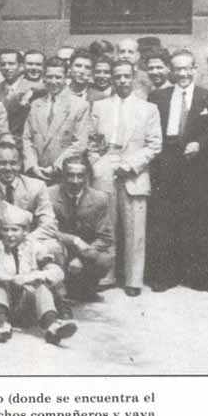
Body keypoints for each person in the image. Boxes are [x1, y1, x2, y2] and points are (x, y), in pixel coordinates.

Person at [147, 50, 208, 292]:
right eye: (177, 69)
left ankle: (197, 276)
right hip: (166, 162)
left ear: (194, 69)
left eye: (186, 68)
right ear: (172, 70)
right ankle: (167, 275)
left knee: (196, 219)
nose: (182, 73)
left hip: (196, 165)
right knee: (166, 219)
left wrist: (200, 143)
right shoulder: (158, 96)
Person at [88, 60, 162, 297]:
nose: (121, 81)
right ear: (111, 77)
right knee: (106, 227)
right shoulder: (99, 107)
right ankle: (107, 275)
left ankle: (133, 279)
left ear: (133, 78)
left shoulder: (148, 108)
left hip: (134, 174)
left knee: (135, 229)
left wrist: (129, 165)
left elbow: (154, 145)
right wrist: (98, 165)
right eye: (117, 76)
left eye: (126, 76)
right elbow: (92, 143)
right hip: (105, 173)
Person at [0, 204, 77, 345]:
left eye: (15, 230)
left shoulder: (36, 247)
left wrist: (31, 277)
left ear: (25, 231)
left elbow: (56, 272)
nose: (10, 234)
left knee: (41, 287)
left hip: (28, 306)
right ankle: (1, 325)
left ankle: (52, 326)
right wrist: (9, 278)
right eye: (5, 230)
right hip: (4, 304)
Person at [48, 156, 114, 303]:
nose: (75, 181)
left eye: (80, 176)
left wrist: (81, 257)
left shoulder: (99, 198)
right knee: (51, 249)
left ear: (87, 177)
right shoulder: (49, 195)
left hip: (85, 251)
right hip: (60, 250)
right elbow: (47, 230)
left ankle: (86, 290)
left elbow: (105, 237)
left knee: (104, 259)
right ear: (63, 176)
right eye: (70, 175)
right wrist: (74, 240)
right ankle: (59, 297)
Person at [21, 57, 91, 183]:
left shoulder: (80, 105)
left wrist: (55, 167)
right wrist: (32, 165)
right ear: (44, 77)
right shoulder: (36, 104)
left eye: (58, 77)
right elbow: (27, 139)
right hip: (36, 173)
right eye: (49, 77)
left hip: (64, 174)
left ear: (66, 78)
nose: (53, 82)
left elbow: (79, 144)